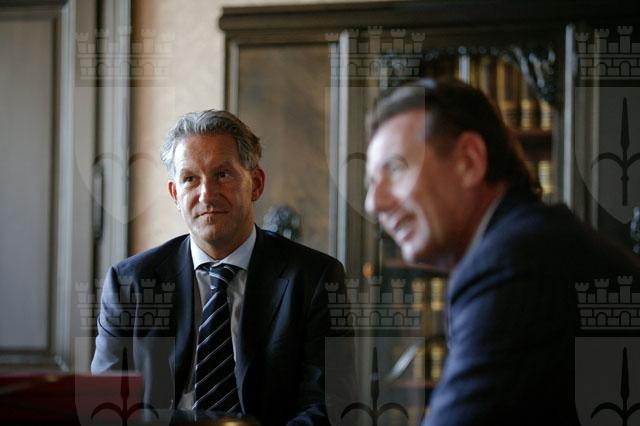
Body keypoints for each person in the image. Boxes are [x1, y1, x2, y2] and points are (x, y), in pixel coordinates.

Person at [364, 78, 640, 425]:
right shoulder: (533, 240)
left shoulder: (513, 265)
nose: (374, 203)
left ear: (469, 160)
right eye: (371, 182)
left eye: (395, 169)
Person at [91, 109, 345, 426]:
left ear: (256, 184)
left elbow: (327, 407)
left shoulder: (315, 278)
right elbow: (107, 407)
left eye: (222, 174)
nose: (207, 195)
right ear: (175, 194)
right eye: (190, 179)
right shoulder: (130, 282)